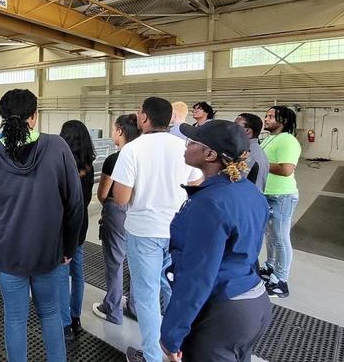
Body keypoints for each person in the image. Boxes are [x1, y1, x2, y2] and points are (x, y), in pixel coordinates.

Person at [0, 89, 83, 362]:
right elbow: (75, 204)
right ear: (34, 117)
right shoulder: (57, 147)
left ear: (1, 118)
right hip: (49, 252)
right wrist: (68, 248)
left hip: (7, 254)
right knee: (50, 313)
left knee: (14, 318)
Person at [160, 120, 271, 362]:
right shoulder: (250, 192)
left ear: (210, 154)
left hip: (223, 313)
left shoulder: (209, 204)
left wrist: (171, 333)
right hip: (254, 303)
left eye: (192, 142)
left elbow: (197, 275)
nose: (185, 146)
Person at [111, 97, 203, 362]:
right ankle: (175, 349)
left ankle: (152, 356)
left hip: (144, 232)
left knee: (147, 296)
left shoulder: (133, 149)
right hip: (177, 231)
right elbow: (196, 184)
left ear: (145, 118)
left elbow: (120, 198)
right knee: (174, 289)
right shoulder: (183, 146)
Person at [92, 114, 140, 325]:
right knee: (138, 262)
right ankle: (135, 307)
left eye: (113, 129)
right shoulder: (145, 156)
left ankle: (112, 308)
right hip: (141, 214)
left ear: (120, 131)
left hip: (118, 213)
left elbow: (103, 194)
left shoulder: (115, 159)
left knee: (115, 261)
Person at [58, 120, 96, 340]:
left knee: (62, 275)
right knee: (78, 273)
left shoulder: (62, 167)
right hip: (81, 227)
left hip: (63, 229)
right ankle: (75, 318)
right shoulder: (88, 168)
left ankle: (64, 324)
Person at [260, 106, 301, 298]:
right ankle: (270, 269)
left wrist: (259, 163)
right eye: (266, 115)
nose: (266, 119)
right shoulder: (270, 138)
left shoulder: (288, 140)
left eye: (270, 116)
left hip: (282, 196)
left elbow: (286, 170)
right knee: (271, 235)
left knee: (281, 238)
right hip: (269, 194)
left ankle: (281, 281)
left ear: (282, 121)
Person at [235, 113, 269, 192]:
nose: (232, 129)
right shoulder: (257, 150)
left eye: (236, 126)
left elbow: (237, 183)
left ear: (247, 131)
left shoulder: (249, 155)